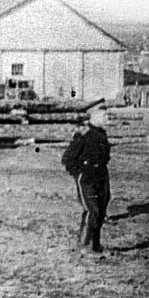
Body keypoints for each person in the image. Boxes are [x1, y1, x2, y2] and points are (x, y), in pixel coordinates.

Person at [61, 105, 111, 257]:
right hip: (87, 176)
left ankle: (95, 245)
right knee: (91, 210)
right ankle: (83, 246)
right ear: (96, 118)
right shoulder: (84, 134)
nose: (108, 119)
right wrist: (79, 174)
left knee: (101, 210)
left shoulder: (102, 134)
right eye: (106, 117)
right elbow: (68, 159)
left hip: (101, 175)